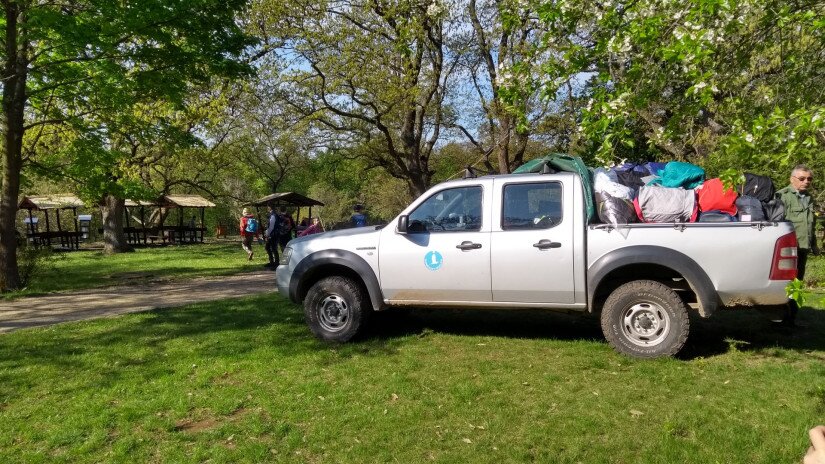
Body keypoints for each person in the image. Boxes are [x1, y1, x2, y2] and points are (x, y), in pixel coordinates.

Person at [776, 165, 819, 324]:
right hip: (787, 249)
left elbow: (811, 224)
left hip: (803, 248)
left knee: (797, 282)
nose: (806, 181)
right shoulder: (782, 196)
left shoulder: (809, 198)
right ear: (792, 179)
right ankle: (779, 317)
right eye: (802, 178)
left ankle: (791, 318)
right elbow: (777, 222)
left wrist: (813, 244)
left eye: (809, 179)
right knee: (784, 282)